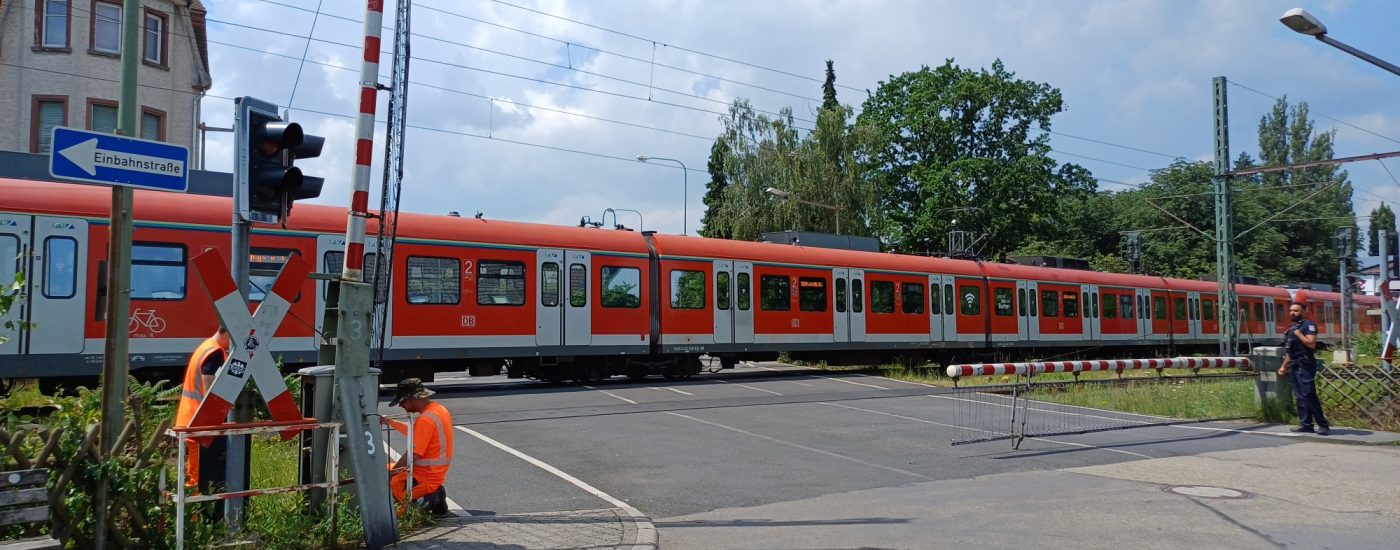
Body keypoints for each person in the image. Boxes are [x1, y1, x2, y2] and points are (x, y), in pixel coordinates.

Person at [176, 326, 231, 512]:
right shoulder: (214, 352)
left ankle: (193, 517)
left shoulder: (205, 346)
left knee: (195, 473)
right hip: (198, 423)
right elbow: (210, 393)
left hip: (190, 419)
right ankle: (192, 519)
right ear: (228, 333)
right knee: (196, 476)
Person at [383, 378, 454, 514]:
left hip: (424, 476)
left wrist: (391, 474)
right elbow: (417, 432)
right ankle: (434, 496)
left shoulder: (426, 420)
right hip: (432, 473)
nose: (401, 405)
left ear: (412, 398)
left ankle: (401, 513)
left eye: (402, 401)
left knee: (392, 486)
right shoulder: (438, 410)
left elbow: (412, 455)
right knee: (385, 470)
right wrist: (390, 422)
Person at [1279, 303, 1330, 435]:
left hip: (1305, 364)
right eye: (1290, 310)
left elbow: (1311, 343)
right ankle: (1305, 424)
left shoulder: (1308, 325)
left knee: (1308, 394)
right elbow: (1291, 351)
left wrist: (1299, 334)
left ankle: (1323, 425)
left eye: (1295, 311)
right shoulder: (1292, 328)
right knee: (1300, 396)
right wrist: (1284, 366)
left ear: (1303, 311)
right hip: (1294, 364)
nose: (1292, 313)